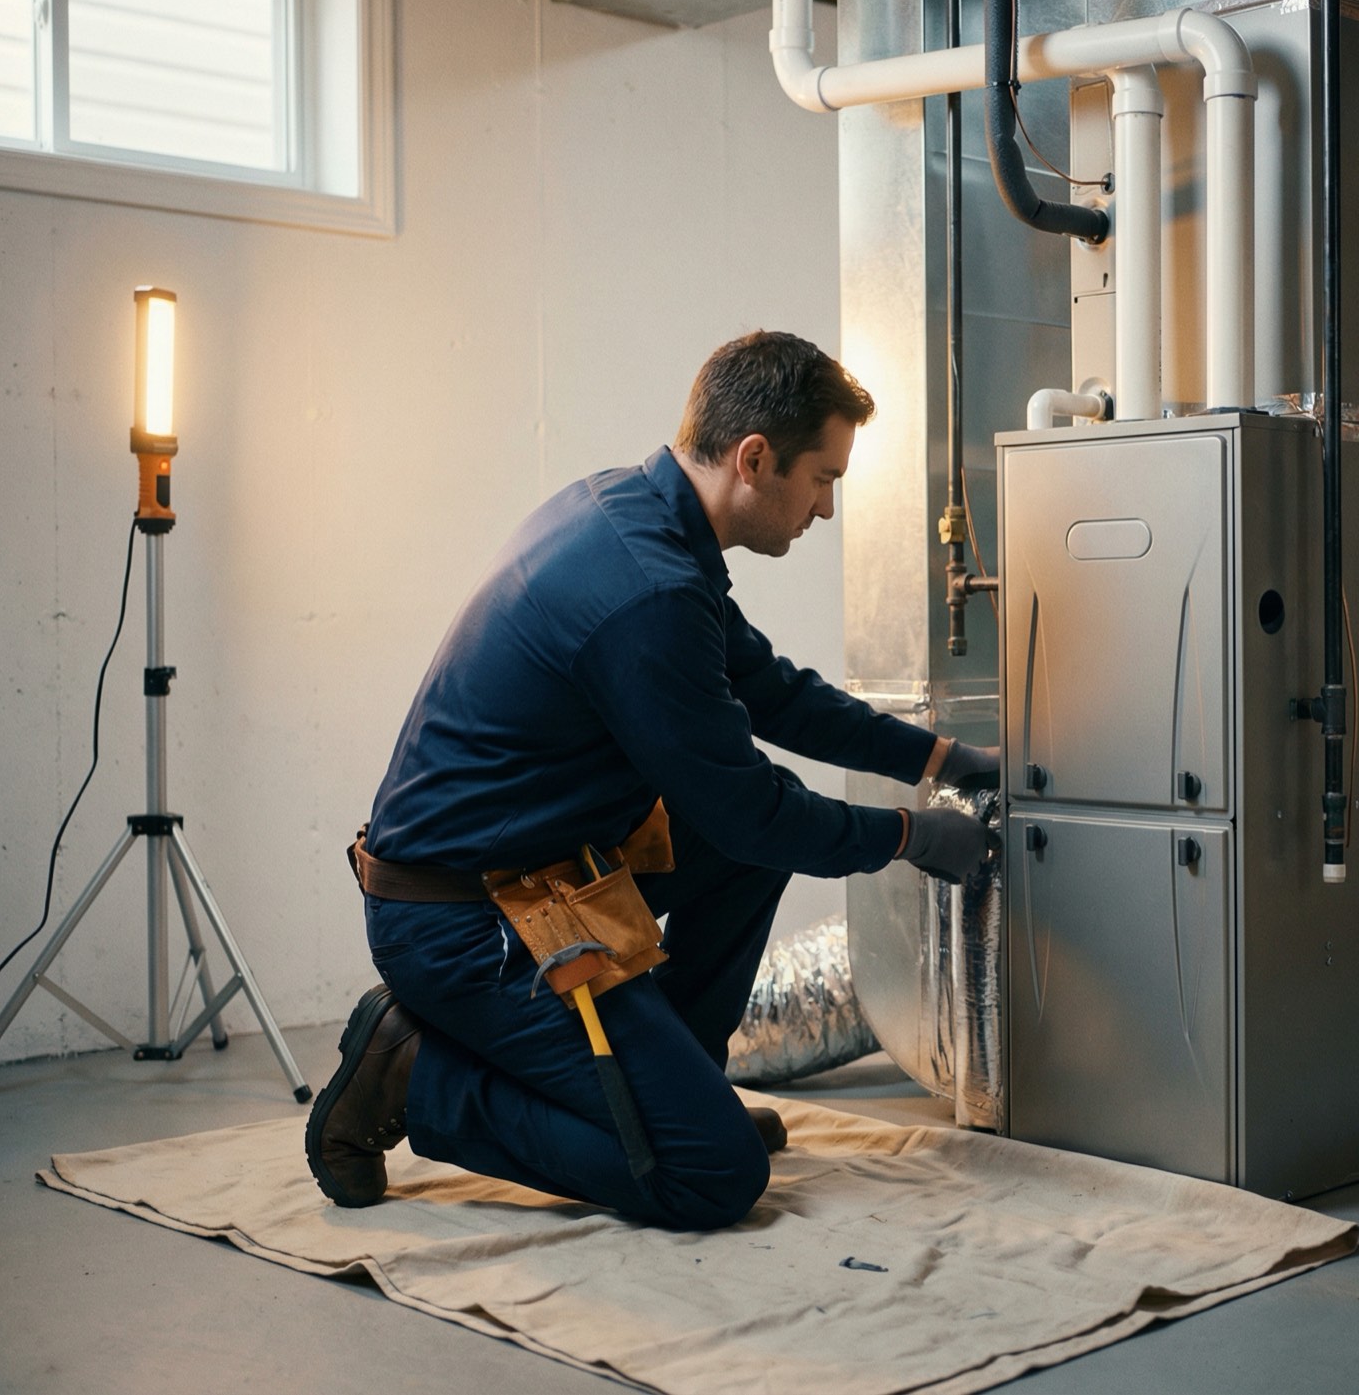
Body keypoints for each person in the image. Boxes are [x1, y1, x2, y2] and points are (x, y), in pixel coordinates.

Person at [306, 330, 999, 1231]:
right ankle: (414, 1071)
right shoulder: (651, 591)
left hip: (535, 874)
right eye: (822, 478)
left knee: (731, 853)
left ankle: (669, 1087)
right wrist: (907, 838)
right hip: (464, 923)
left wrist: (937, 759)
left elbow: (771, 693)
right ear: (755, 459)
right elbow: (750, 809)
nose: (826, 509)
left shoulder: (636, 514)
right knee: (714, 1172)